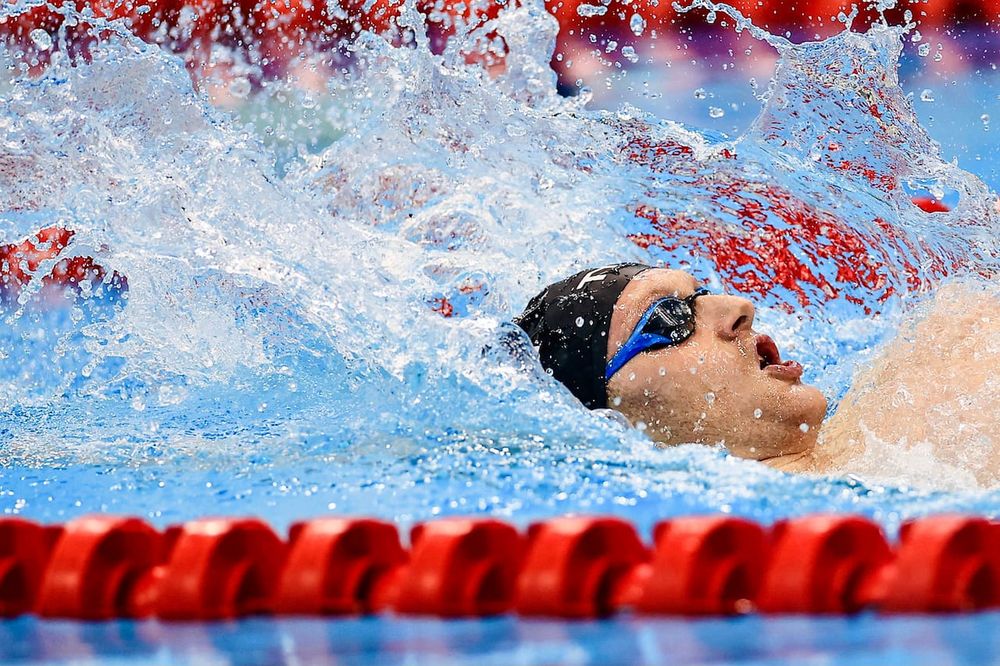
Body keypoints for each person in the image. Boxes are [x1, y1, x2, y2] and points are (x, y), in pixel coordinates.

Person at [514, 263, 1000, 483]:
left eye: (701, 293)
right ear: (607, 419)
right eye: (668, 318)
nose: (739, 306)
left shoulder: (946, 355)